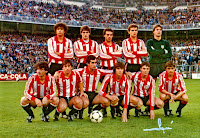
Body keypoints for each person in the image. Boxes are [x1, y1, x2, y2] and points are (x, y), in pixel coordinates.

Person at [47, 22, 73, 118]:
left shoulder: (69, 42)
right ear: (56, 31)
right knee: (53, 87)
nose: (60, 31)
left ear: (64, 31)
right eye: (58, 29)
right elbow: (51, 54)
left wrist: (59, 54)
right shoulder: (51, 40)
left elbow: (71, 55)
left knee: (64, 87)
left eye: (61, 29)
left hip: (65, 66)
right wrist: (63, 55)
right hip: (53, 65)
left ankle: (63, 110)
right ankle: (47, 110)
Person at [99, 28, 122, 117]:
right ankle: (104, 108)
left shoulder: (116, 46)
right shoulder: (100, 46)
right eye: (107, 35)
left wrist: (108, 54)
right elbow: (102, 56)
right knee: (104, 89)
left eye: (110, 35)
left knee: (114, 89)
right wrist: (112, 55)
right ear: (104, 35)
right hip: (104, 70)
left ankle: (115, 109)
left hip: (113, 70)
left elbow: (119, 54)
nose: (109, 36)